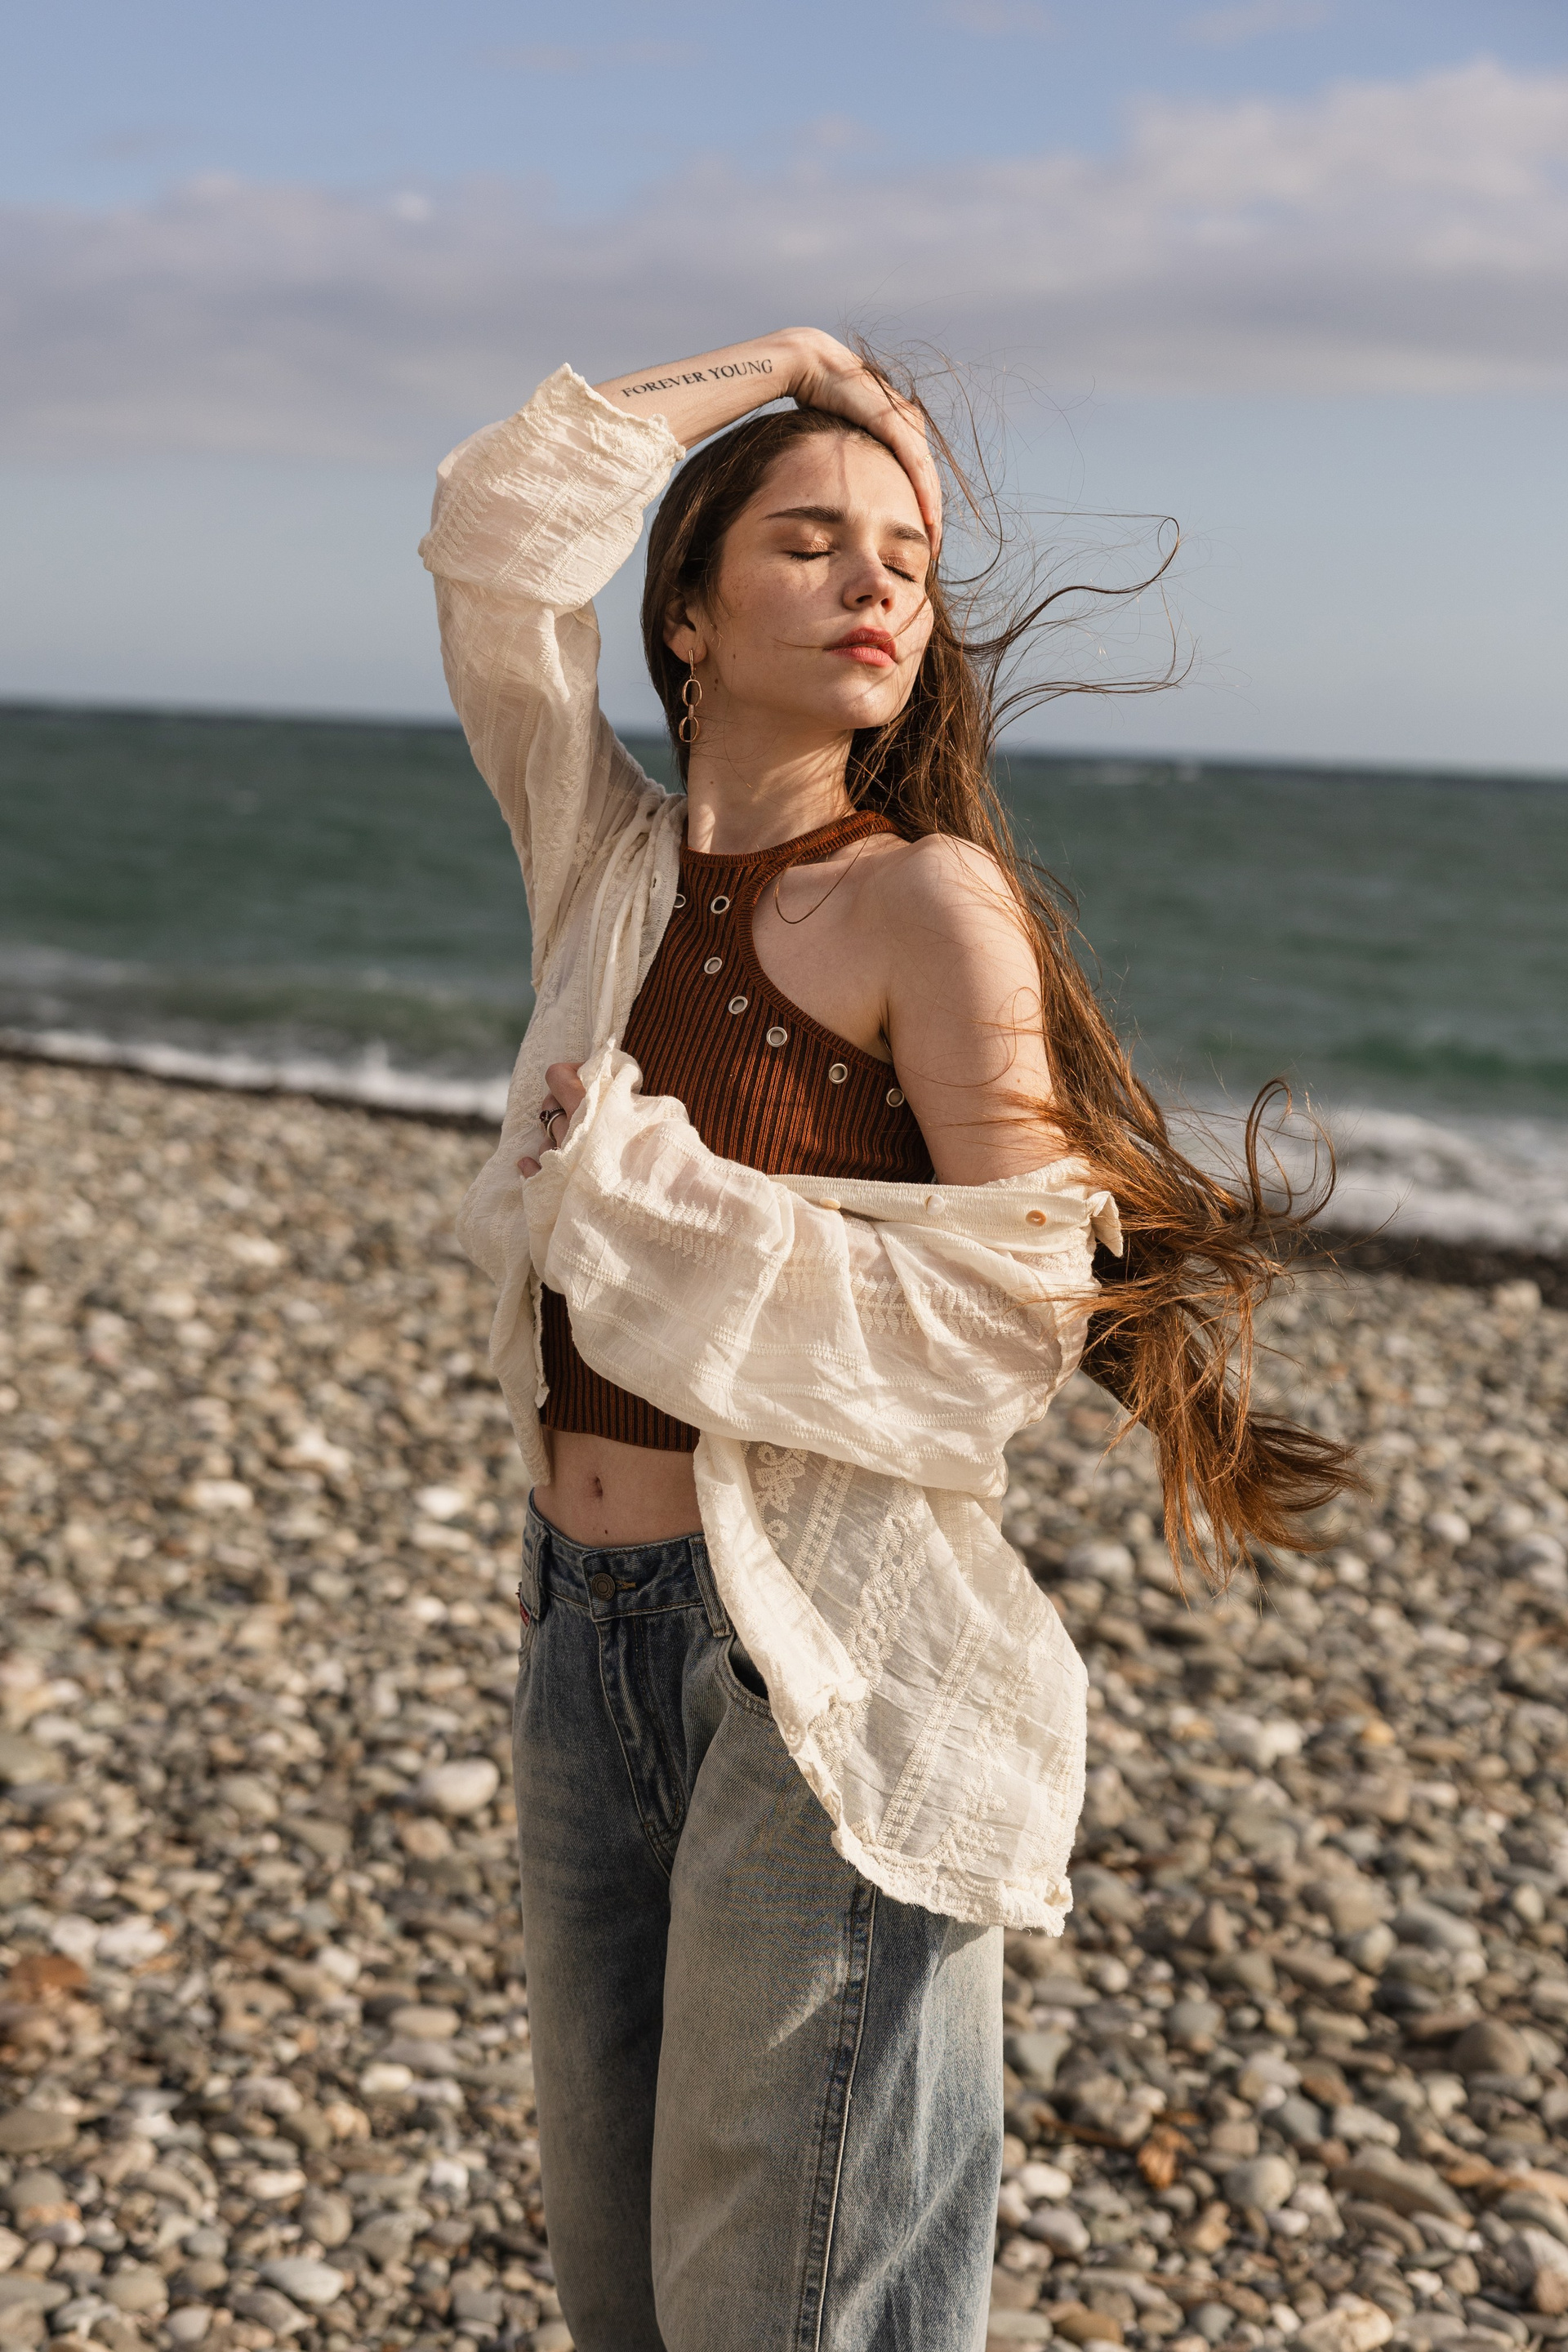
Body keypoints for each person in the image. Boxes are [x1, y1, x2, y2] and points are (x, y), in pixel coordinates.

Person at [420, 329, 1354, 2352]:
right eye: (810, 543)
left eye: (909, 562)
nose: (876, 586)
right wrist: (780, 366)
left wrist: (645, 1199)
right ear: (683, 614)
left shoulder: (933, 903)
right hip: (581, 1627)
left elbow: (1009, 1326)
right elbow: (495, 531)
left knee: (785, 2303)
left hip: (815, 1658)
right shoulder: (603, 861)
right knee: (623, 2291)